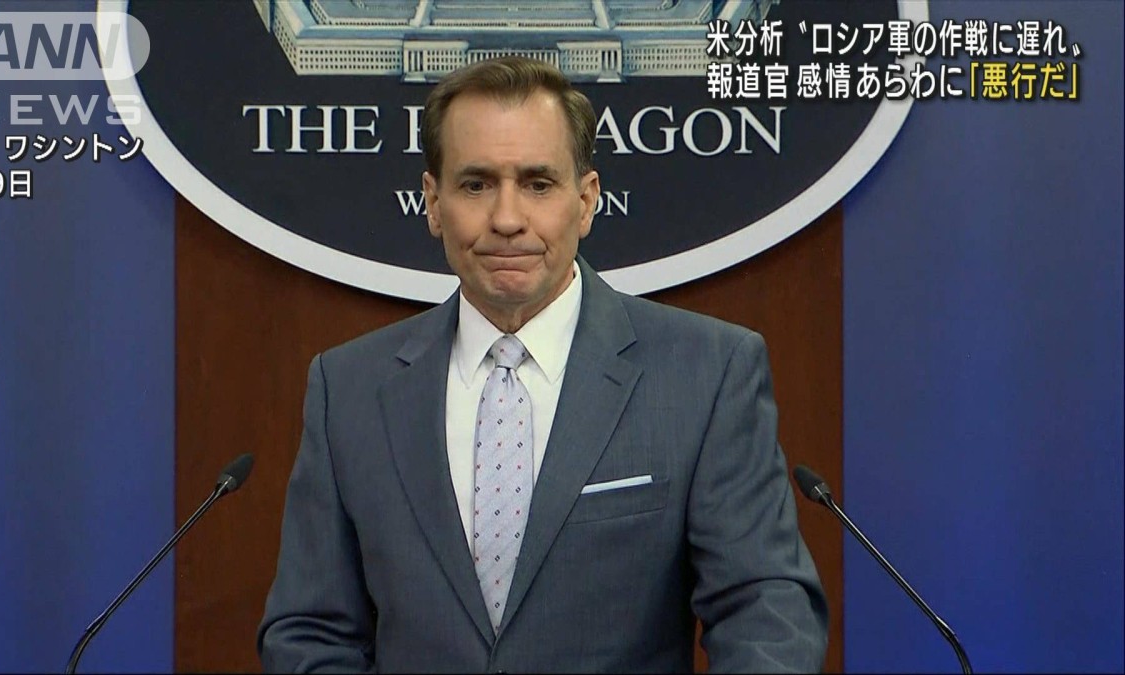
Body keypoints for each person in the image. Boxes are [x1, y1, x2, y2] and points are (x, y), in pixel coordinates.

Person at [258, 56, 827, 673]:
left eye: (537, 184)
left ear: (585, 201)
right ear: (433, 202)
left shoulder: (707, 374)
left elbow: (766, 613)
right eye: (476, 185)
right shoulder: (348, 389)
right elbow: (311, 632)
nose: (507, 219)